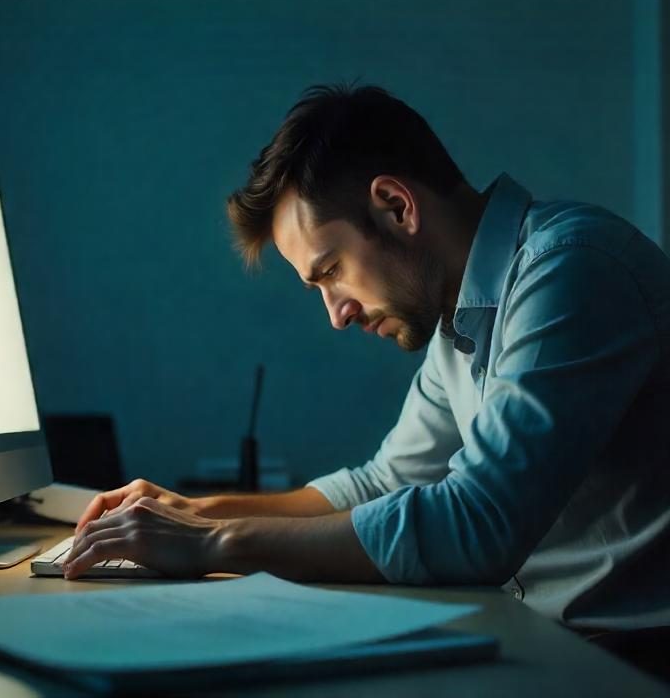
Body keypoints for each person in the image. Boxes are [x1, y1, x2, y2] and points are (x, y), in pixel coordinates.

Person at [64, 84, 670, 636]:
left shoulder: (572, 269)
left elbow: (480, 523)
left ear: (396, 206)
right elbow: (384, 483)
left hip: (633, 662)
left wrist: (215, 542)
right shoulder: (459, 318)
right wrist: (194, 511)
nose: (338, 314)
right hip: (554, 644)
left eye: (331, 272)